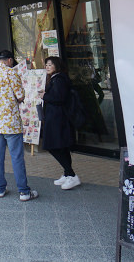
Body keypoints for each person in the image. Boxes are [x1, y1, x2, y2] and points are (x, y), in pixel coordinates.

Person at [0, 49, 38, 201]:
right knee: (17, 156)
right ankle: (24, 192)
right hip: (10, 122)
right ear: (10, 60)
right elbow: (20, 96)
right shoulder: (11, 73)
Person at [39, 56, 81, 190]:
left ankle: (72, 175)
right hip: (57, 117)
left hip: (57, 118)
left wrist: (44, 96)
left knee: (53, 146)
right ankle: (67, 173)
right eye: (46, 65)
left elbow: (59, 98)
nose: (47, 67)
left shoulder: (58, 79)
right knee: (61, 146)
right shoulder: (58, 78)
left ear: (57, 65)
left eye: (50, 64)